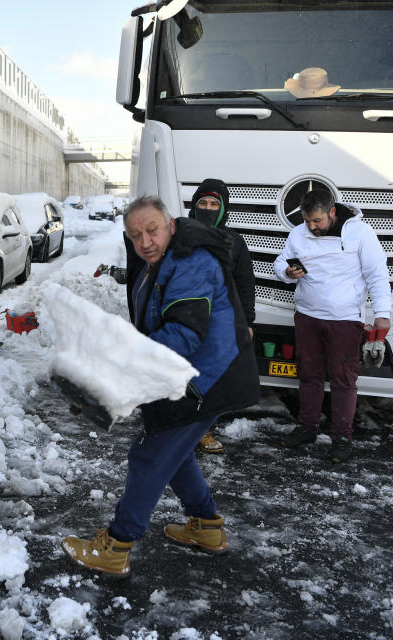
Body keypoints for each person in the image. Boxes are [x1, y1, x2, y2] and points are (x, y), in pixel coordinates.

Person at [61, 195, 259, 576]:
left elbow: (183, 334)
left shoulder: (190, 261)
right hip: (190, 374)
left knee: (149, 456)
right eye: (135, 236)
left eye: (151, 230)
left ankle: (117, 546)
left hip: (203, 379)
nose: (145, 242)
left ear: (170, 224)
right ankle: (206, 527)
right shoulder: (163, 259)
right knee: (175, 451)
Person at [274, 188, 391, 463]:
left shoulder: (361, 233)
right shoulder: (297, 233)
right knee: (309, 375)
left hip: (345, 319)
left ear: (333, 212)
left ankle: (341, 437)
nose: (312, 227)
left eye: (318, 221)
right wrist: (287, 273)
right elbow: (280, 262)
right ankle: (307, 428)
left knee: (343, 380)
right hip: (307, 315)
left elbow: (377, 274)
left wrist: (382, 313)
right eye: (307, 221)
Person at [189, 179, 256, 454]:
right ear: (194, 206)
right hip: (183, 319)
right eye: (203, 203)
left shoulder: (234, 242)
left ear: (223, 208)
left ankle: (201, 430)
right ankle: (173, 426)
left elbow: (244, 283)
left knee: (211, 379)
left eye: (214, 204)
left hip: (218, 321)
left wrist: (247, 322)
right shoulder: (179, 234)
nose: (208, 208)